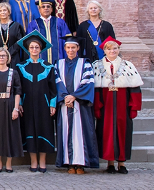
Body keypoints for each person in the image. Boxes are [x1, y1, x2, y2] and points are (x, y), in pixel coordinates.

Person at [93, 37, 143, 175]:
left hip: (123, 105)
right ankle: (110, 163)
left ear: (119, 50)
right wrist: (97, 107)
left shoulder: (128, 66)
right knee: (107, 133)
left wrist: (133, 107)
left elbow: (135, 89)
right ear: (104, 51)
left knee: (123, 132)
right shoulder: (97, 66)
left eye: (115, 48)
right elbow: (96, 90)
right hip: (106, 106)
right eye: (109, 49)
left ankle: (121, 163)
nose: (112, 51)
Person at [55, 36, 99, 174]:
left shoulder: (85, 63)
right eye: (68, 48)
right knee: (66, 132)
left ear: (78, 48)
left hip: (80, 105)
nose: (70, 50)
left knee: (80, 133)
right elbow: (57, 82)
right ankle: (68, 163)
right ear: (64, 48)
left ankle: (81, 163)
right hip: (65, 105)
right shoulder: (58, 64)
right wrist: (65, 97)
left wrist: (74, 96)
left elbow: (88, 82)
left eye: (73, 47)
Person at [15, 31, 57, 173]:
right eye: (32, 47)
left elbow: (53, 87)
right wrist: (19, 103)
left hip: (43, 104)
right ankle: (33, 160)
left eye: (37, 47)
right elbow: (18, 86)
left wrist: (52, 104)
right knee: (29, 129)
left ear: (41, 49)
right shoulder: (21, 67)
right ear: (28, 49)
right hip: (27, 104)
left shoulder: (49, 66)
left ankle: (43, 161)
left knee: (44, 129)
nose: (34, 50)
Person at [0, 47, 23, 173]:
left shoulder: (14, 72)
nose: (1, 57)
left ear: (8, 58)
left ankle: (9, 163)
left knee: (10, 133)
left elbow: (18, 91)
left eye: (4, 55)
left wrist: (16, 108)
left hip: (10, 105)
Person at [27, 0, 71, 64]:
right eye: (43, 7)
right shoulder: (33, 24)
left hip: (59, 60)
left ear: (52, 9)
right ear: (39, 10)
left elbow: (67, 41)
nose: (46, 8)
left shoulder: (60, 22)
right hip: (39, 61)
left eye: (48, 7)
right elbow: (29, 44)